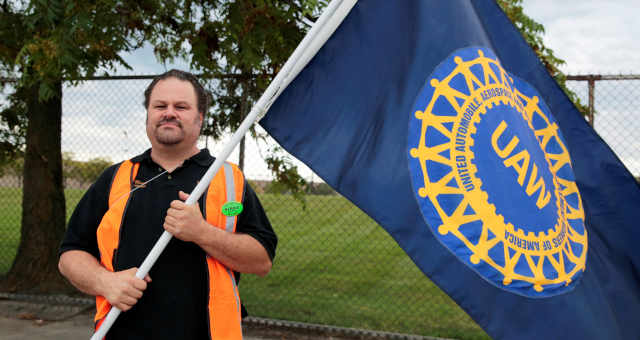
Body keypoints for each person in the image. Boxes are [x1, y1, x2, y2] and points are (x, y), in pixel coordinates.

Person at [58, 69, 277, 340]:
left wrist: (202, 233)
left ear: (199, 118)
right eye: (160, 106)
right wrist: (105, 282)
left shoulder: (229, 179)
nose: (169, 112)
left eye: (181, 107)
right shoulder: (116, 178)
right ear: (148, 115)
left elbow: (262, 260)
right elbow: (70, 254)